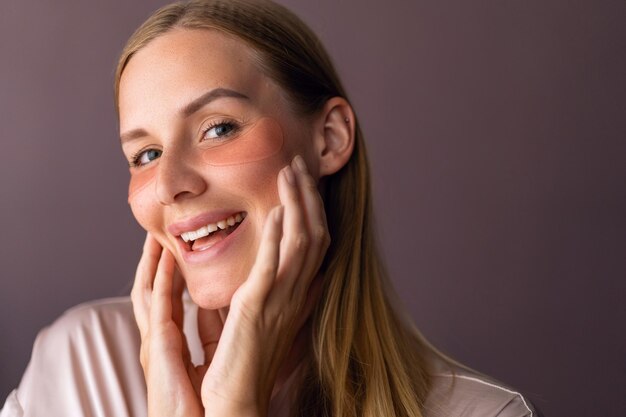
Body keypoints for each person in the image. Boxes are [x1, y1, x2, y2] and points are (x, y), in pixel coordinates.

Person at [1, 1, 539, 416]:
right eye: (145, 154)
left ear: (328, 138)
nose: (168, 184)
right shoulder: (79, 367)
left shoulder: (482, 412)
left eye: (218, 128)